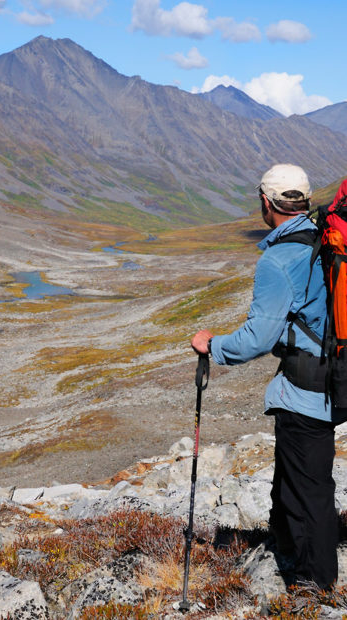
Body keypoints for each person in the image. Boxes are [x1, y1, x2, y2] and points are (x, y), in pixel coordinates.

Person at [191, 163, 347, 590]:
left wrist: (213, 345)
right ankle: (282, 545)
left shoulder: (279, 260)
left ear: (266, 203)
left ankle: (315, 585)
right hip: (333, 379)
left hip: (306, 391)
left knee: (310, 491)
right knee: (292, 477)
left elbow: (259, 337)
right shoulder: (325, 241)